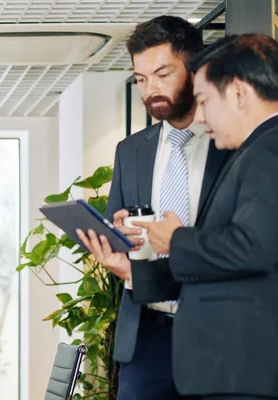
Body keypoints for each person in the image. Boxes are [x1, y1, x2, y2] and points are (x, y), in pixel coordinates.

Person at [82, 33, 278, 400]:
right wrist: (133, 270)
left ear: (238, 94)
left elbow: (253, 247)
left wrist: (174, 240)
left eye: (205, 100)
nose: (202, 114)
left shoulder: (273, 147)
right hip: (201, 356)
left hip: (245, 362)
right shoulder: (256, 149)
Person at [80, 16, 228, 400]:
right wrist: (116, 235)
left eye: (162, 74)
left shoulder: (229, 142)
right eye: (142, 79)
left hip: (217, 333)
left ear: (194, 69)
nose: (151, 89)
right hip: (144, 338)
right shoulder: (130, 151)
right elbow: (117, 224)